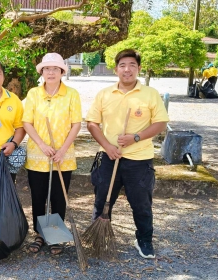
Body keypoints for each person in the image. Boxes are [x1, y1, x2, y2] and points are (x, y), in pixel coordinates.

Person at [86, 48, 169, 259]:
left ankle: (144, 240)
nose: (127, 69)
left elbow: (160, 123)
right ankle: (100, 239)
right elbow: (92, 123)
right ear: (116, 69)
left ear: (138, 69)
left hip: (139, 160)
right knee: (102, 200)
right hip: (109, 157)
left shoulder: (150, 94)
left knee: (141, 203)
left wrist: (136, 137)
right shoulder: (104, 94)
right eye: (122, 65)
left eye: (132, 65)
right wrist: (107, 146)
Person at [22, 53, 82, 255]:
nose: (50, 72)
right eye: (47, 69)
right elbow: (27, 122)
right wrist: (42, 145)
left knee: (58, 197)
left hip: (62, 156)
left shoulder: (71, 94)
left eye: (55, 69)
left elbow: (76, 124)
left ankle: (55, 235)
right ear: (41, 72)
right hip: (38, 154)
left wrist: (62, 149)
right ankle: (39, 234)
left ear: (62, 72)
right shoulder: (33, 94)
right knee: (38, 197)